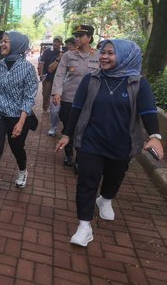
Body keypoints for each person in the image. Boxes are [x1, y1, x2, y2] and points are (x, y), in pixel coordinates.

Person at [55, 39, 164, 247]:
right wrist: (67, 134)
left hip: (122, 144)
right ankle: (84, 226)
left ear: (124, 56)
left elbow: (148, 111)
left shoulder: (138, 83)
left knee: (114, 177)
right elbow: (77, 108)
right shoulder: (91, 79)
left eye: (110, 53)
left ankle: (105, 198)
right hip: (90, 141)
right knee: (87, 180)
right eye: (103, 52)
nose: (103, 57)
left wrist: (155, 137)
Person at [0, 31, 38, 207]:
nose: (2, 44)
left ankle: (22, 170)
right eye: (1, 41)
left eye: (6, 41)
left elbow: (29, 97)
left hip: (17, 117)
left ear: (18, 45)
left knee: (17, 148)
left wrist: (20, 122)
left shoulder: (28, 69)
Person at [52, 25, 99, 168]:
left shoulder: (98, 56)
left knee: (84, 130)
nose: (77, 38)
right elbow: (59, 75)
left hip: (89, 101)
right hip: (69, 99)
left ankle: (80, 159)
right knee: (68, 128)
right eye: (76, 36)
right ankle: (69, 155)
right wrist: (57, 92)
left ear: (89, 38)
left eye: (80, 36)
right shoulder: (68, 55)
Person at [38, 36, 63, 137]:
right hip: (48, 77)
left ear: (61, 43)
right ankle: (45, 109)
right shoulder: (48, 51)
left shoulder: (63, 53)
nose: (55, 43)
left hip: (58, 79)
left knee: (55, 97)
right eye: (54, 41)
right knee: (46, 94)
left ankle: (53, 111)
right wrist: (40, 73)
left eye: (58, 42)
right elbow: (42, 63)